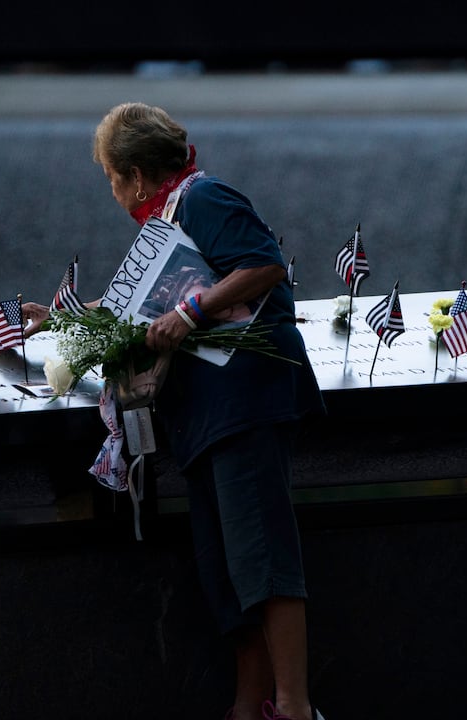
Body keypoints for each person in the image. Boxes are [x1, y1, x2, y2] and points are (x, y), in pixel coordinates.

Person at [21, 102, 327, 720]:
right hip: (203, 421)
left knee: (261, 555)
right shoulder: (164, 224)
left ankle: (294, 707)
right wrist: (62, 321)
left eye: (111, 177)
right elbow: (137, 322)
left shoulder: (203, 197)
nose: (113, 191)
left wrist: (191, 313)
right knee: (227, 571)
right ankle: (251, 705)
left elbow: (265, 264)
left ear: (136, 174)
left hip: (241, 406)